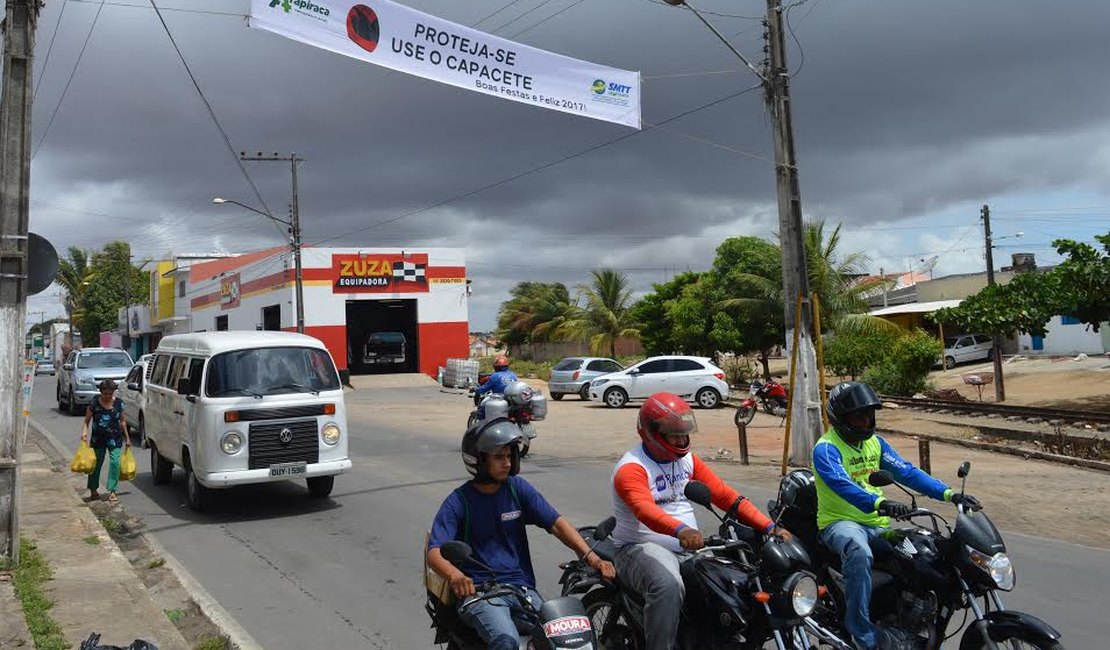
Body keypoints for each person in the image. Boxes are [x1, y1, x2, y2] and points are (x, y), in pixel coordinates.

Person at [610, 392, 787, 650]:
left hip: (688, 547)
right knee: (667, 585)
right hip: (637, 547)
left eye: (684, 433)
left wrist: (770, 527)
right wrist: (680, 530)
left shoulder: (687, 460)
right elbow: (644, 510)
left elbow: (726, 496)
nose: (682, 440)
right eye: (675, 435)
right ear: (652, 433)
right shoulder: (632, 468)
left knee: (731, 583)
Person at [813, 381, 980, 650]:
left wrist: (949, 495)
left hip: (877, 525)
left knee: (925, 552)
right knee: (859, 553)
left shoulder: (876, 444)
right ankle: (861, 632)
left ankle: (908, 619)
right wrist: (881, 503)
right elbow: (843, 486)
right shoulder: (826, 449)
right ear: (841, 418)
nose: (866, 421)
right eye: (859, 416)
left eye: (869, 415)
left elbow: (908, 472)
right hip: (840, 523)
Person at [427, 419, 615, 649]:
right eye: (499, 457)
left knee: (559, 639)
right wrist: (456, 576)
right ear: (479, 460)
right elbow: (435, 552)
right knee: (507, 642)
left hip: (522, 590)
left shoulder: (517, 489)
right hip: (480, 594)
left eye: (509, 456)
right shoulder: (459, 501)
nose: (506, 463)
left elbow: (557, 524)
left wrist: (592, 558)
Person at [80, 379, 132, 505]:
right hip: (98, 439)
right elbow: (87, 420)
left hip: (115, 438)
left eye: (110, 393)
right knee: (96, 464)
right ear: (101, 392)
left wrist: (127, 438)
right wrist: (84, 433)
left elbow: (123, 421)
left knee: (115, 463)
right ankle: (93, 489)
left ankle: (112, 490)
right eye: (105, 394)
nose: (108, 396)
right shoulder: (94, 403)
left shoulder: (119, 404)